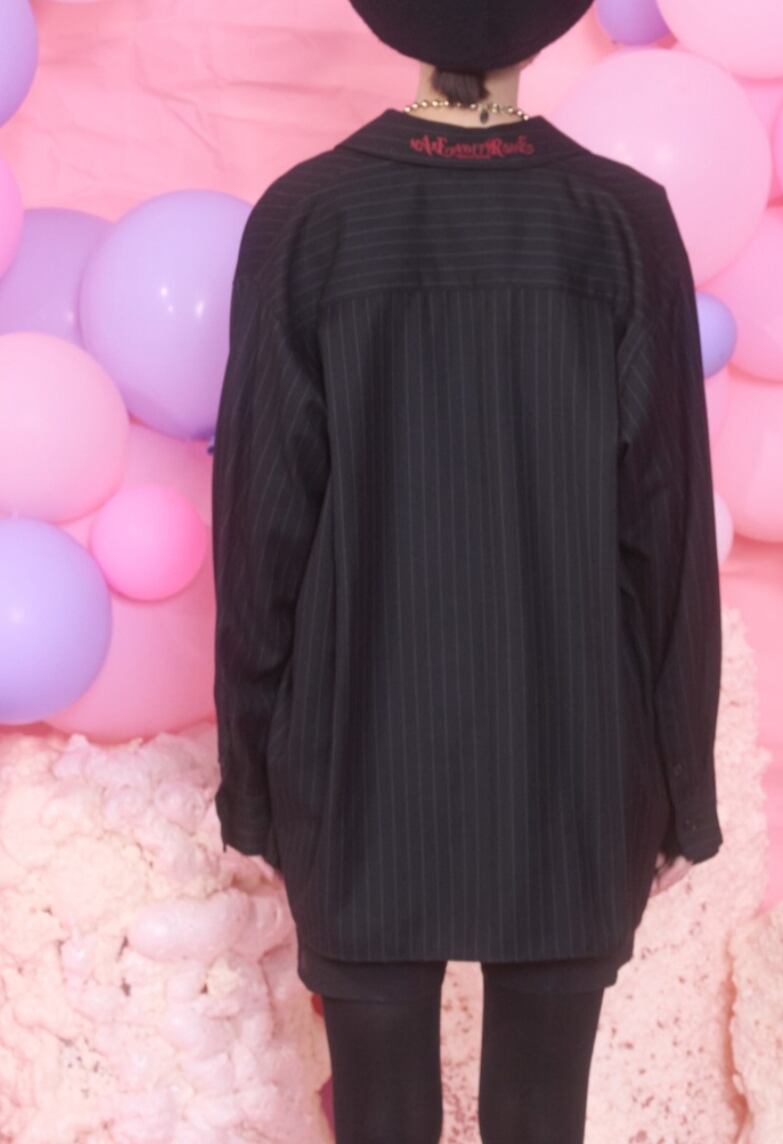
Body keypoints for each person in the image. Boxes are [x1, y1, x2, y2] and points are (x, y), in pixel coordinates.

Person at [210, 1, 724, 1139]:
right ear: (543, 31)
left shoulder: (308, 218)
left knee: (379, 1119)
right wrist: (683, 785)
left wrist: (252, 784)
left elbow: (258, 532)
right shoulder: (622, 224)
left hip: (356, 758)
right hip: (576, 760)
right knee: (542, 1121)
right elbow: (670, 528)